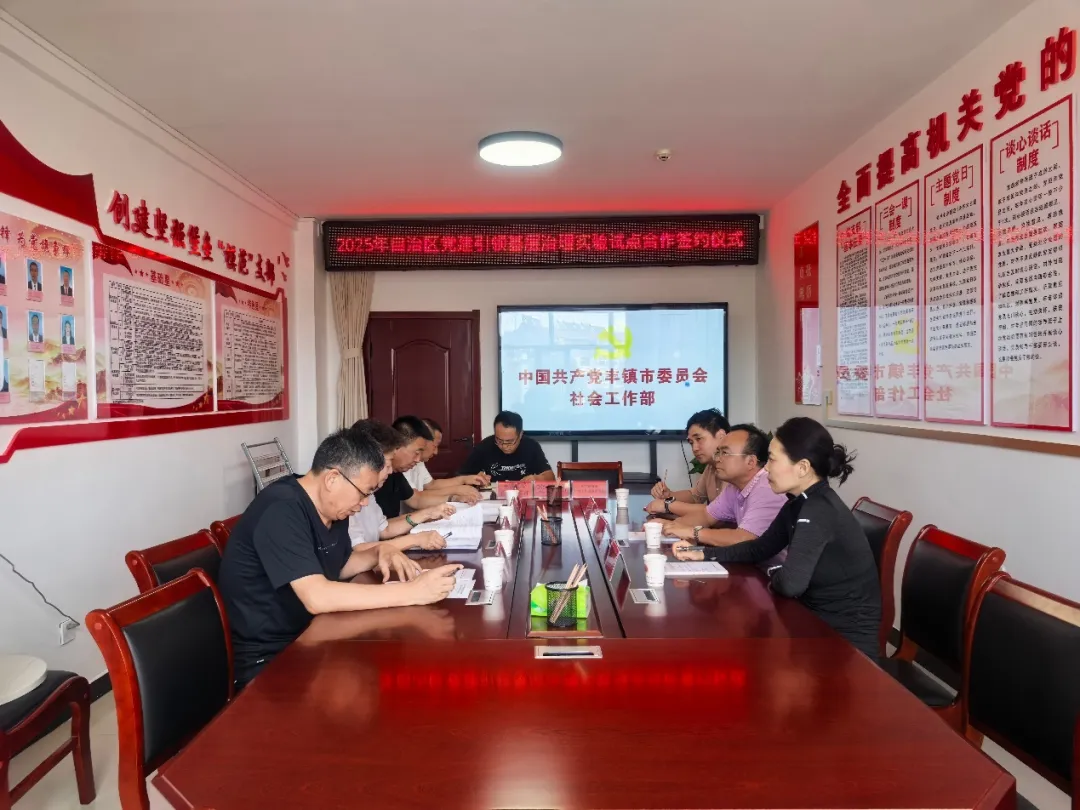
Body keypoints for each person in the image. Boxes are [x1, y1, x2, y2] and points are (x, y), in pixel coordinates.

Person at [218, 428, 462, 687]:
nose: (365, 503)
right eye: (364, 492)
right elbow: (317, 596)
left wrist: (379, 552)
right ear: (332, 479)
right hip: (272, 660)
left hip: (314, 636)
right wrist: (413, 592)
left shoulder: (333, 508)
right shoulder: (281, 509)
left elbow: (340, 566)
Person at [673, 417, 881, 658]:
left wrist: (773, 575)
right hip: (812, 620)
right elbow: (758, 549)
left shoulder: (817, 510)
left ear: (802, 467)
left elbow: (791, 584)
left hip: (843, 642)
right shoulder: (797, 503)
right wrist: (702, 554)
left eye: (772, 460)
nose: (766, 469)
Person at [656, 425, 787, 564]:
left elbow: (744, 538)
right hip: (749, 563)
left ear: (751, 462)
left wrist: (692, 532)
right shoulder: (734, 487)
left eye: (725, 453)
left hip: (771, 571)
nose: (717, 458)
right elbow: (706, 516)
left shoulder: (766, 487)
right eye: (718, 452)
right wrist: (671, 527)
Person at [348, 419, 455, 550]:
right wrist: (415, 540)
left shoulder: (370, 492)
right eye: (388, 464)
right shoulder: (350, 494)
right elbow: (358, 550)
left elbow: (384, 529)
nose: (390, 471)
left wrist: (428, 513)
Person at [374, 415, 478, 519]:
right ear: (397, 446)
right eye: (416, 453)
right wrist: (425, 515)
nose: (418, 459)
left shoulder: (396, 473)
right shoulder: (375, 474)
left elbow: (416, 499)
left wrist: (453, 498)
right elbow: (383, 527)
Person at [646, 409, 729, 517]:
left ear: (721, 436)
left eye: (699, 439)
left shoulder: (735, 467)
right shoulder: (711, 466)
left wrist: (667, 505)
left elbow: (718, 511)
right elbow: (695, 496)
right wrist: (669, 495)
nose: (694, 448)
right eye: (691, 442)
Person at [459, 410, 554, 482]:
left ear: (520, 434)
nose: (504, 446)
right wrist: (475, 478)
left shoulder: (531, 446)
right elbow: (461, 477)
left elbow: (550, 476)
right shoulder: (484, 446)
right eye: (499, 440)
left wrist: (536, 478)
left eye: (510, 441)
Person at [403, 418, 490, 494]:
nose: (436, 452)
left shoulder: (419, 461)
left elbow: (431, 485)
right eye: (435, 446)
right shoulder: (405, 463)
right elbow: (416, 498)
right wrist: (456, 492)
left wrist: (465, 479)